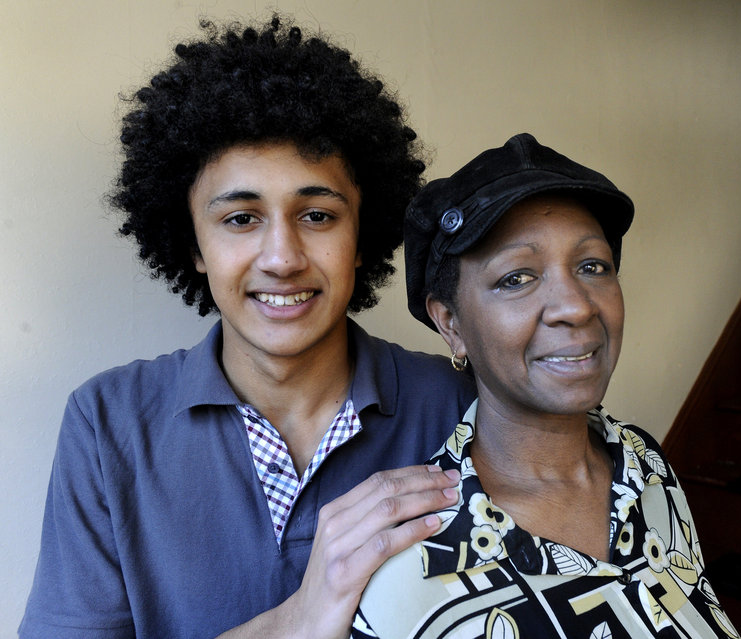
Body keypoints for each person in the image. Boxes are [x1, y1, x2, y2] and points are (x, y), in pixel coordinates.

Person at [19, 17, 476, 639]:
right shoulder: (108, 423)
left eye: (317, 215)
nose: (282, 257)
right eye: (240, 219)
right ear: (195, 245)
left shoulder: (460, 404)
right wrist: (300, 617)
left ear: (362, 238)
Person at [352, 133, 740, 638]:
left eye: (591, 266)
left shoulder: (643, 464)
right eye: (517, 277)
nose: (576, 306)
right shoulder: (415, 559)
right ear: (450, 323)